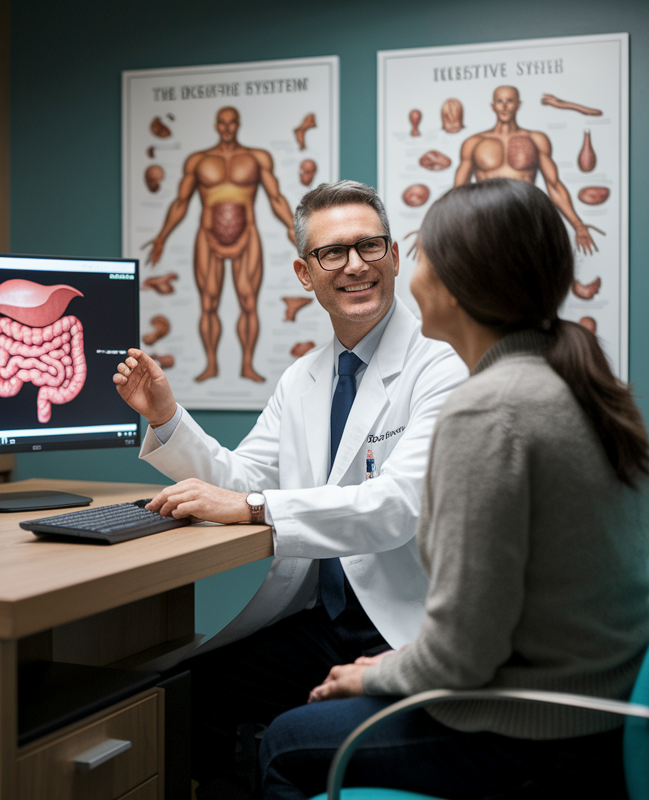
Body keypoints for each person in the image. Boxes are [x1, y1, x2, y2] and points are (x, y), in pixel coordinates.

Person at [259, 178, 649, 800]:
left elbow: (462, 661)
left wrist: (376, 675)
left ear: (456, 285)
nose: (402, 273)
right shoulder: (572, 378)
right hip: (599, 701)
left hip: (535, 730)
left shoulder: (489, 411)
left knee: (285, 742)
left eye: (415, 255)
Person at [114, 180, 467, 796]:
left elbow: (398, 507)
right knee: (192, 693)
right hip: (326, 618)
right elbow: (243, 480)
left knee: (283, 734)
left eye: (370, 246)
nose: (355, 265)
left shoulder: (442, 364)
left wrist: (250, 508)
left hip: (405, 624)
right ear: (307, 273)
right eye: (334, 253)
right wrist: (167, 417)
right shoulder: (305, 377)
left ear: (393, 257)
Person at [144, 106, 297, 383]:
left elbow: (276, 197)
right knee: (208, 302)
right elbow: (180, 202)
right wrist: (162, 236)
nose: (227, 128)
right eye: (222, 123)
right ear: (217, 125)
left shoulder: (256, 157)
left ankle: (247, 365)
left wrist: (293, 227)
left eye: (231, 123)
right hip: (207, 236)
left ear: (238, 125)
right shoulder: (198, 161)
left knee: (249, 302)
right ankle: (211, 364)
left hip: (247, 235)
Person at [453, 85, 602, 255]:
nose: (504, 106)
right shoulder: (473, 143)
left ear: (518, 104)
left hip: (525, 220)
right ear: (492, 106)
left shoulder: (536, 139)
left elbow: (553, 185)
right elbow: (458, 192)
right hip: (487, 222)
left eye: (509, 101)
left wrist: (578, 226)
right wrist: (433, 230)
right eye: (499, 101)